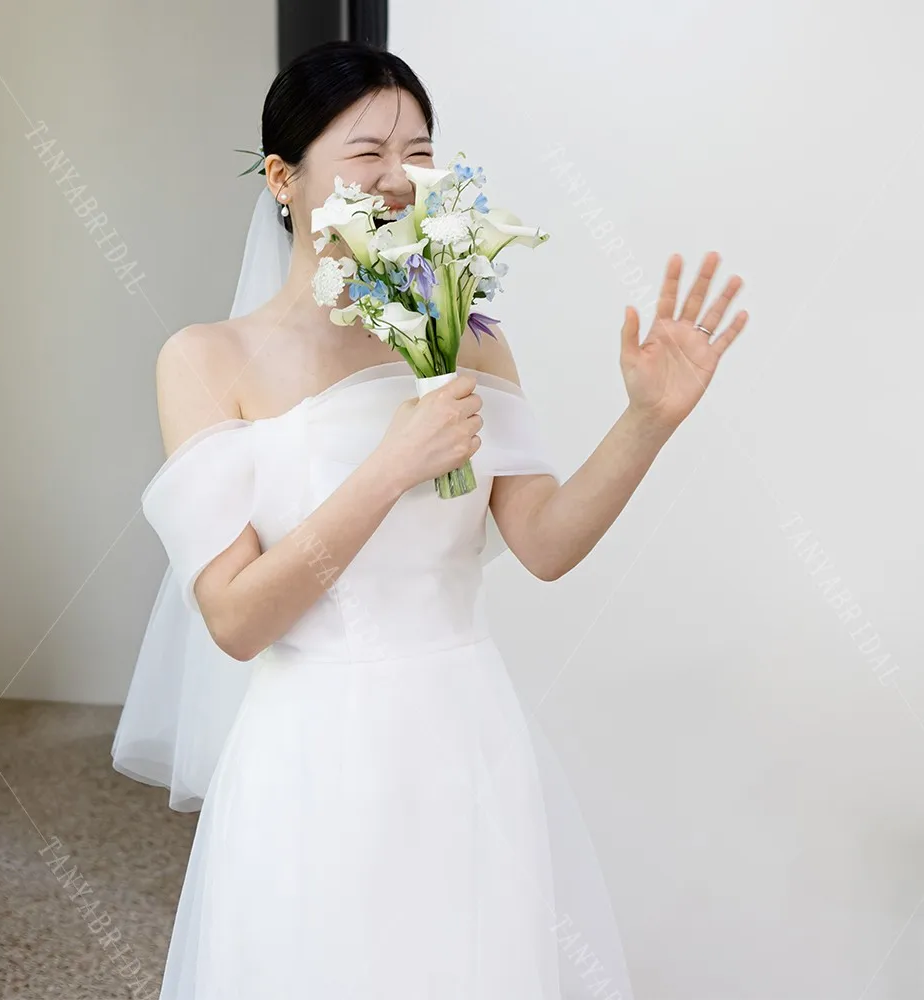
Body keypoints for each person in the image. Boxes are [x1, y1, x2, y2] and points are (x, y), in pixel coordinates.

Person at [112, 39, 747, 999]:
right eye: (367, 155)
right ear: (283, 178)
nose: (401, 180)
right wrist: (391, 465)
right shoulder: (205, 361)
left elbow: (546, 543)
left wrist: (647, 421)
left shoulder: (467, 333)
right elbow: (237, 620)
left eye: (418, 154)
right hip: (311, 755)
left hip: (465, 736)